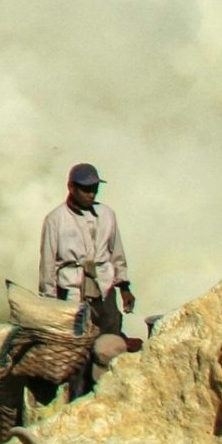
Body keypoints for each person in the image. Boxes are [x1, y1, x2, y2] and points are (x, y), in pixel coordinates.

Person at [39, 163, 133, 383]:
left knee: (109, 345)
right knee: (77, 353)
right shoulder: (56, 219)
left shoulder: (107, 214)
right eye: (85, 189)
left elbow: (116, 252)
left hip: (104, 288)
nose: (91, 194)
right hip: (72, 292)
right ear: (71, 187)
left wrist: (124, 287)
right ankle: (77, 396)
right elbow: (48, 265)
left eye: (94, 189)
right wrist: (49, 304)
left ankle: (107, 390)